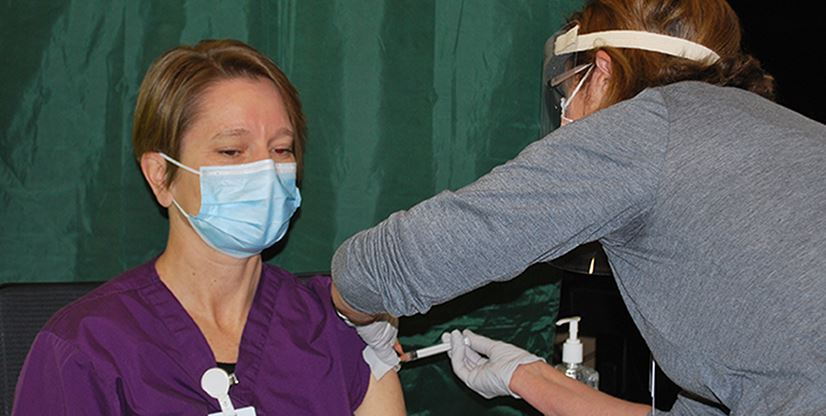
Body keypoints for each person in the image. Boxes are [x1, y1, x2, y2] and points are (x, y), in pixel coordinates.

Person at [329, 0, 826, 414]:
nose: (568, 125)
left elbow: (403, 260)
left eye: (568, 95)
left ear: (603, 69)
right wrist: (529, 378)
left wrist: (363, 311)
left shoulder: (645, 126)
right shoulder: (793, 132)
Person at [13, 39, 405, 415]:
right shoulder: (85, 348)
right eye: (232, 151)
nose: (265, 170)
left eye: (281, 149)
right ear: (161, 175)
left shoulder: (338, 328)